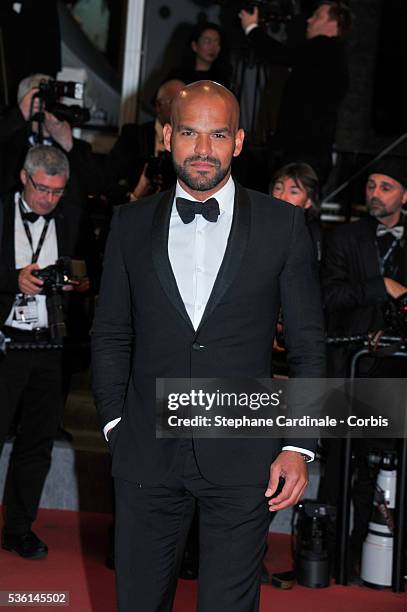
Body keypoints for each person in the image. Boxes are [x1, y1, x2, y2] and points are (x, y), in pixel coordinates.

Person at [92, 80, 326, 611]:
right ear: (168, 137)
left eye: (218, 134)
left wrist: (299, 444)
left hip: (245, 454)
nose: (203, 150)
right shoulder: (129, 225)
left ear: (238, 142)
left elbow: (310, 347)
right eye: (190, 133)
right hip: (147, 452)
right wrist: (114, 424)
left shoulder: (282, 226)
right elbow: (110, 332)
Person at [0, 145, 97, 559]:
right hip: (5, 344)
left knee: (37, 444)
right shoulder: (0, 212)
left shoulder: (73, 215)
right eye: (43, 189)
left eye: (58, 192)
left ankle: (19, 528)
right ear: (24, 177)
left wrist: (81, 283)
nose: (49, 200)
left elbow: (93, 267)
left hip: (52, 345)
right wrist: (11, 279)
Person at [319, 156, 407, 578]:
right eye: (371, 185)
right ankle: (331, 557)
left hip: (398, 374)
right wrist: (382, 287)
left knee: (385, 470)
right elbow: (329, 297)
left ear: (404, 195)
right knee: (339, 467)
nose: (375, 193)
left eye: (385, 187)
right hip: (349, 367)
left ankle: (383, 560)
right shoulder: (344, 237)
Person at [239, 1, 352, 184]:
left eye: (317, 16)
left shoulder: (325, 47)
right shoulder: (331, 56)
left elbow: (281, 54)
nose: (309, 20)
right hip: (311, 149)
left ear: (334, 24)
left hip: (304, 151)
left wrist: (251, 27)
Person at [0, 73, 103, 208]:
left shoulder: (77, 149)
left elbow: (96, 187)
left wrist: (68, 144)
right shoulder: (9, 142)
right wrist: (19, 115)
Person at [104, 79, 185, 204]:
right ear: (158, 106)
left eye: (186, 103)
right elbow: (107, 182)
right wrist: (135, 195)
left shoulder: (193, 140)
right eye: (176, 102)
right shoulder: (132, 136)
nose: (183, 109)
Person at [271, 161, 322, 263]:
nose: (282, 197)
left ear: (309, 201)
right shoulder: (258, 224)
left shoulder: (311, 235)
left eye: (294, 192)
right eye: (278, 188)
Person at [171, 22, 231, 88]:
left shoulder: (223, 79)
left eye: (217, 42)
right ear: (194, 46)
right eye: (207, 41)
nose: (213, 47)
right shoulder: (178, 77)